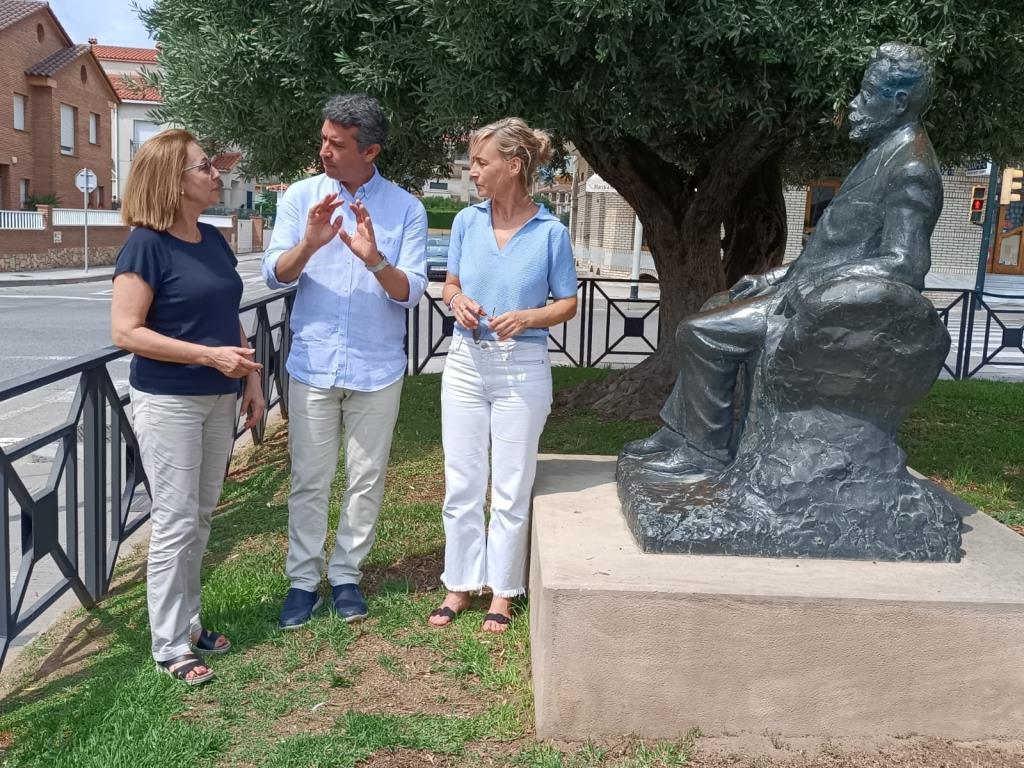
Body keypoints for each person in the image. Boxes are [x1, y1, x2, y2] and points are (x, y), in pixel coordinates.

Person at [624, 42, 942, 475]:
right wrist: (773, 275)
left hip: (822, 305)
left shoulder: (911, 168)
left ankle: (704, 451)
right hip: (800, 288)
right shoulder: (883, 152)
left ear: (899, 102)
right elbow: (835, 247)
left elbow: (905, 263)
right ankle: (683, 430)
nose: (853, 103)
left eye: (866, 93)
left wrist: (818, 286)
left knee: (701, 333)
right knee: (715, 307)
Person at [263, 94, 428, 629]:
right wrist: (310, 244)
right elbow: (275, 274)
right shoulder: (301, 196)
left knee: (365, 476)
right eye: (324, 139)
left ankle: (347, 575)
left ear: (370, 150)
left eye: (337, 144)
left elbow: (411, 293)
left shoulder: (406, 209)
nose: (325, 151)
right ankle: (303, 582)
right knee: (309, 478)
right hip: (312, 361)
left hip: (376, 367)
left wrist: (375, 259)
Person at [111, 129, 266, 685]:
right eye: (203, 167)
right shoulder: (145, 244)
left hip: (221, 395)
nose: (215, 173)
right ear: (172, 182)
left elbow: (227, 315)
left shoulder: (213, 237)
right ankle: (169, 644)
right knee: (175, 523)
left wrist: (249, 378)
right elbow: (126, 331)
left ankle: (190, 621)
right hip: (169, 399)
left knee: (200, 517)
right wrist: (207, 357)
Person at [428, 118, 578, 632]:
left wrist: (529, 317)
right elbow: (449, 283)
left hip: (522, 369)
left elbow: (568, 303)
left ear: (513, 166)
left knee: (511, 485)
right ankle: (459, 584)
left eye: (481, 163)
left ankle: (504, 591)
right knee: (462, 481)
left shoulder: (550, 232)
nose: (473, 172)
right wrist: (458, 299)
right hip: (466, 363)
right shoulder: (467, 223)